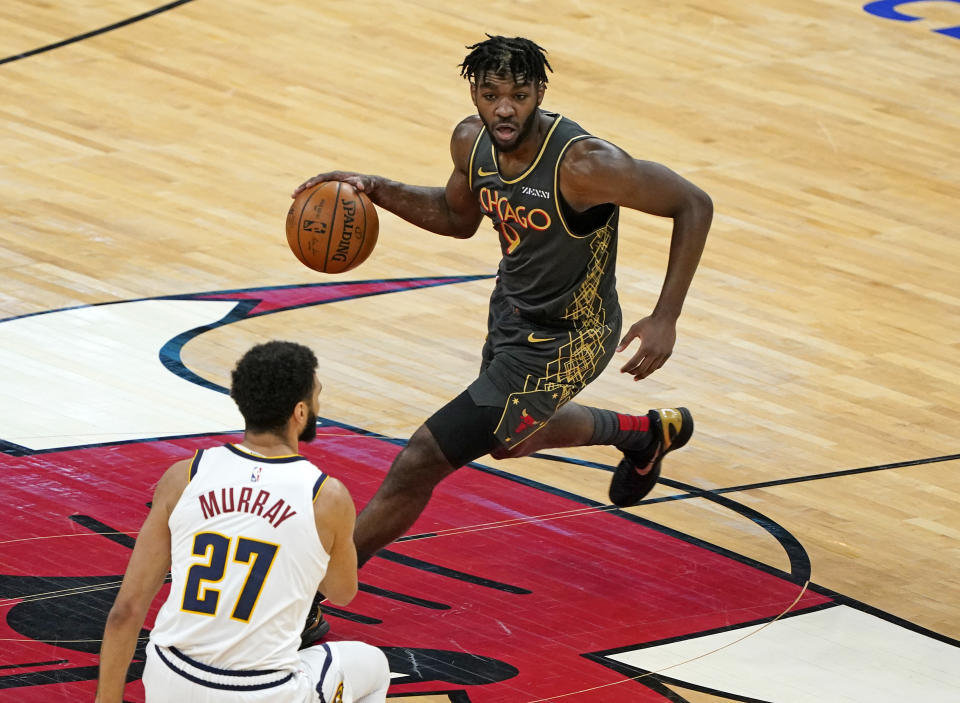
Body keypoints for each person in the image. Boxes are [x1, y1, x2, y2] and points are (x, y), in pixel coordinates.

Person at [293, 35, 712, 568]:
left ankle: (317, 592)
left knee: (422, 458)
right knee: (509, 441)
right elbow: (455, 217)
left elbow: (693, 203)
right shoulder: (472, 143)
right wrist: (375, 187)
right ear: (475, 94)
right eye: (491, 95)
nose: (505, 108)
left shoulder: (584, 164)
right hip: (510, 313)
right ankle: (645, 434)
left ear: (539, 91)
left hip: (570, 337)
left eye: (518, 94)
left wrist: (666, 317)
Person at [96, 341, 390, 703]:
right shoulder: (325, 496)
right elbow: (343, 592)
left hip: (168, 679)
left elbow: (126, 611)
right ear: (300, 412)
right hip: (259, 693)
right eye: (316, 397)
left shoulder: (184, 475)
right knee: (373, 667)